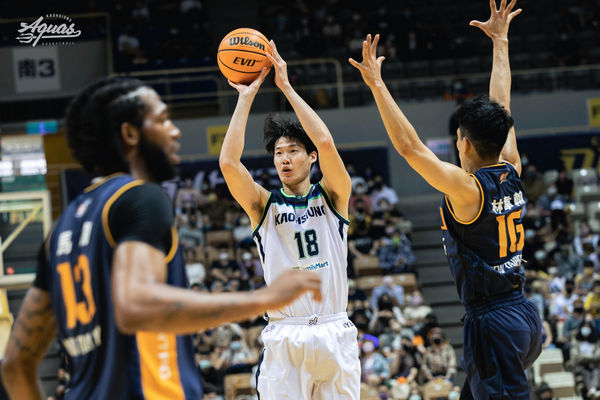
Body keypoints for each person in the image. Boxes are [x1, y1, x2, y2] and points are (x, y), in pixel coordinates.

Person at [0, 77, 323, 400]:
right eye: (163, 119)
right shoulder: (138, 197)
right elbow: (135, 305)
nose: (175, 131)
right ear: (130, 134)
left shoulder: (61, 228)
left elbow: (15, 365)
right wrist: (262, 299)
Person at [350, 1, 542, 398]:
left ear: (464, 143)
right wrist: (501, 42)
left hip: (492, 321)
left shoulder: (467, 189)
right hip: (523, 313)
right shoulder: (512, 167)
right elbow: (501, 104)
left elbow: (409, 148)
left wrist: (377, 85)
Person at [219, 41, 360, 399]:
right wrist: (246, 97)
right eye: (279, 153)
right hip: (285, 333)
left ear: (310, 157)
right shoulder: (263, 205)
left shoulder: (333, 196)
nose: (284, 159)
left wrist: (285, 86)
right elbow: (229, 165)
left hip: (333, 329)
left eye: (293, 151)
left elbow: (326, 142)